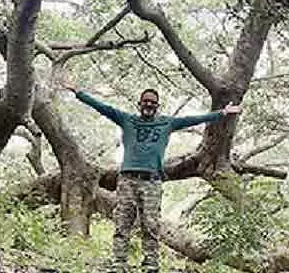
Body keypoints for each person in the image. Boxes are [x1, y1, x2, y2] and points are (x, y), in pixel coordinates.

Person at [61, 80, 241, 273]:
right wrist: (78, 92)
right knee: (123, 221)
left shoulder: (167, 123)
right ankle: (119, 263)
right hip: (127, 180)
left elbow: (194, 119)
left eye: (152, 102)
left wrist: (222, 113)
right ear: (140, 104)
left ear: (157, 106)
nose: (149, 105)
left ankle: (151, 264)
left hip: (152, 181)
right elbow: (102, 107)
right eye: (145, 101)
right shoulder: (127, 120)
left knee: (151, 224)